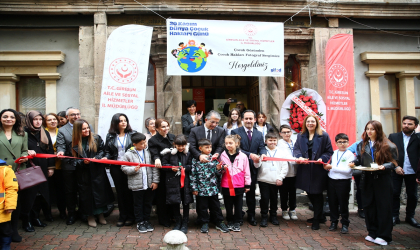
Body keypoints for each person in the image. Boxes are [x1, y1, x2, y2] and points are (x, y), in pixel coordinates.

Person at [349, 120, 398, 246]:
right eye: (367, 129)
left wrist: (384, 167)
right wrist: (354, 163)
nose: (369, 132)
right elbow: (360, 159)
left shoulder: (388, 145)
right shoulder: (362, 144)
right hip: (367, 179)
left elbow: (394, 162)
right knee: (369, 206)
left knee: (383, 207)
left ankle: (384, 235)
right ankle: (372, 232)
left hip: (382, 180)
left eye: (372, 129)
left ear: (378, 130)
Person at [70, 119, 114, 228]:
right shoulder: (72, 143)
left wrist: (97, 158)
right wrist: (82, 162)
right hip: (83, 174)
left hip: (97, 172)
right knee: (87, 196)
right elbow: (71, 160)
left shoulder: (96, 138)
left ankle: (101, 215)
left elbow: (102, 151)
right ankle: (90, 216)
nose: (87, 130)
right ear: (77, 131)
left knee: (100, 194)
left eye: (87, 128)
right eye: (83, 129)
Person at [294, 115, 333, 230]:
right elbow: (296, 149)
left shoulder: (323, 135)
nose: (310, 123)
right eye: (308, 121)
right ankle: (320, 216)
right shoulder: (300, 136)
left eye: (312, 121)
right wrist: (299, 157)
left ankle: (316, 219)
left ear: (316, 123)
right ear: (305, 123)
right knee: (309, 191)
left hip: (317, 169)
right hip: (305, 168)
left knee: (317, 193)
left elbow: (328, 151)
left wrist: (322, 158)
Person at [231, 110, 267, 226]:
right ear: (242, 119)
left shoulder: (259, 134)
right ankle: (239, 214)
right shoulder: (235, 132)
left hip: (253, 168)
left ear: (255, 120)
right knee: (239, 193)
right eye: (246, 118)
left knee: (251, 193)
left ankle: (251, 214)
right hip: (238, 168)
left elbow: (262, 147)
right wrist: (250, 155)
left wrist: (263, 154)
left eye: (251, 119)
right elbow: (236, 149)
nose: (248, 121)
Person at [22, 111, 55, 232]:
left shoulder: (44, 132)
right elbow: (19, 149)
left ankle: (35, 217)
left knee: (40, 195)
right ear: (29, 120)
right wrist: (26, 151)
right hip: (28, 169)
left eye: (40, 119)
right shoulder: (23, 133)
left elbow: (50, 151)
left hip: (42, 168)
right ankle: (27, 221)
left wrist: (50, 167)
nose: (38, 122)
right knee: (29, 195)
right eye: (35, 119)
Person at [121, 132, 159, 233]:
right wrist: (134, 169)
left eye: (145, 142)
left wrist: (155, 181)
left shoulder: (148, 152)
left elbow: (154, 167)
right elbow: (124, 167)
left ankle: (146, 220)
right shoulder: (128, 154)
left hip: (149, 183)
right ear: (134, 144)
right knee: (138, 204)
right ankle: (140, 222)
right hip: (136, 185)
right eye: (141, 143)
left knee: (148, 203)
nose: (144, 145)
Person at [103, 113, 137, 227]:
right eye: (120, 121)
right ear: (115, 123)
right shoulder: (110, 136)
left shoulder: (133, 134)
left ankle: (131, 216)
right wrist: (106, 157)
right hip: (116, 167)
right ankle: (122, 216)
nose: (123, 122)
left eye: (125, 120)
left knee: (129, 191)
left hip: (129, 165)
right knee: (120, 192)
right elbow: (107, 151)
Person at [0, 109, 28, 242]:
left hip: (17, 171)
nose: (8, 119)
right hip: (1, 172)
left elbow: (24, 150)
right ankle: (4, 231)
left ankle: (14, 229)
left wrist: (24, 157)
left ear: (16, 119)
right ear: (0, 119)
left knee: (16, 202)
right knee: (1, 201)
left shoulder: (22, 133)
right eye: (5, 117)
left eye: (11, 117)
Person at [190, 139, 229, 233]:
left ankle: (219, 222)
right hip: (201, 189)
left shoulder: (214, 159)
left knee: (216, 206)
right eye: (206, 147)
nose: (209, 149)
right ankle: (204, 222)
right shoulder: (196, 160)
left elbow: (218, 173)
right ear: (200, 148)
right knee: (202, 207)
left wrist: (219, 169)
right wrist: (194, 188)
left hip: (213, 189)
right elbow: (193, 175)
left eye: (210, 147)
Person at [388, 116, 420, 228]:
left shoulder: (418, 138)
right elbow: (389, 154)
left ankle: (410, 217)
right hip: (396, 170)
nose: (406, 126)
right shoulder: (393, 136)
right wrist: (396, 167)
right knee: (394, 193)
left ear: (415, 126)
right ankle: (394, 216)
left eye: (409, 124)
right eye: (404, 123)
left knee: (412, 195)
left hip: (412, 171)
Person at [323, 133, 355, 234]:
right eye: (340, 142)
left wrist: (332, 168)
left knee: (343, 203)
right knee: (332, 202)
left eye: (344, 142)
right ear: (336, 143)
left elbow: (347, 171)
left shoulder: (350, 155)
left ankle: (345, 223)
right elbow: (332, 165)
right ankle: (333, 222)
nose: (342, 144)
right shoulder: (334, 152)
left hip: (343, 181)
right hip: (332, 180)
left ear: (348, 143)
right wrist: (327, 167)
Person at [161, 135, 193, 234]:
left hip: (185, 182)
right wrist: (171, 167)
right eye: (178, 146)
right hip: (173, 182)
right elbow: (163, 165)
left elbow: (192, 166)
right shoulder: (169, 153)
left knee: (186, 202)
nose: (180, 148)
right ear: (174, 145)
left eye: (182, 146)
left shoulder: (188, 154)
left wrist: (184, 168)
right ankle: (178, 222)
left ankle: (185, 222)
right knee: (175, 202)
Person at [56, 107, 83, 225]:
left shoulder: (86, 126)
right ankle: (71, 214)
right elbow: (60, 145)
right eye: (73, 115)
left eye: (78, 114)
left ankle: (83, 213)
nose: (76, 116)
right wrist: (60, 152)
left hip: (83, 164)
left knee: (83, 189)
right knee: (70, 191)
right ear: (67, 117)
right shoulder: (62, 130)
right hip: (68, 165)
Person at [219, 134, 251, 232]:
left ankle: (237, 220)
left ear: (237, 144)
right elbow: (219, 170)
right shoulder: (222, 155)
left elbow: (247, 170)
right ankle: (230, 220)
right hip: (226, 184)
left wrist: (247, 184)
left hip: (239, 184)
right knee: (228, 204)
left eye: (231, 143)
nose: (228, 145)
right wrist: (221, 169)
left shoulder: (243, 156)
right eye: (226, 143)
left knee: (238, 204)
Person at [257, 133, 289, 227]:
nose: (272, 142)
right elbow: (257, 165)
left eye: (274, 140)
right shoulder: (262, 152)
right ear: (265, 141)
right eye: (270, 140)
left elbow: (284, 166)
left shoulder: (280, 152)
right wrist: (259, 160)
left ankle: (273, 216)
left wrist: (280, 178)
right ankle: (264, 217)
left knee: (274, 199)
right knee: (265, 199)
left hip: (276, 180)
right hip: (264, 180)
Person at [147, 119, 175, 227]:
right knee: (162, 196)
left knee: (172, 194)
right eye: (163, 127)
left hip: (172, 170)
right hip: (162, 171)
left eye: (167, 126)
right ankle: (163, 219)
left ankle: (173, 215)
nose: (166, 129)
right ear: (157, 128)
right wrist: (157, 158)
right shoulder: (153, 140)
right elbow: (154, 153)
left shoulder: (172, 137)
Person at [44, 113, 67, 220]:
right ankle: (47, 213)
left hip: (61, 166)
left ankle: (62, 212)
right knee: (47, 191)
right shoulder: (42, 132)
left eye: (54, 119)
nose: (53, 121)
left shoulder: (62, 131)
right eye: (49, 120)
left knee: (61, 191)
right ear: (45, 122)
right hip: (46, 166)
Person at [277, 125, 298, 221]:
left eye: (288, 132)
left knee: (293, 192)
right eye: (284, 132)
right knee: (284, 192)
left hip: (295, 172)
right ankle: (284, 209)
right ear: (280, 134)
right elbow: (286, 156)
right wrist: (298, 160)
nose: (287, 134)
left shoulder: (295, 142)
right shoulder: (280, 143)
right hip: (285, 173)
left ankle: (292, 209)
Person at [0, 159, 18, 250]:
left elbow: (11, 189)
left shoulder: (5, 170)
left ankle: (5, 247)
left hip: (2, 209)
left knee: (5, 231)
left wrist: (10, 205)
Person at [347, 140, 365, 219]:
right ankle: (361, 208)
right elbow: (348, 151)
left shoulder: (379, 142)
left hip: (374, 170)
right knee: (360, 189)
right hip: (360, 170)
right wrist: (356, 159)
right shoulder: (359, 143)